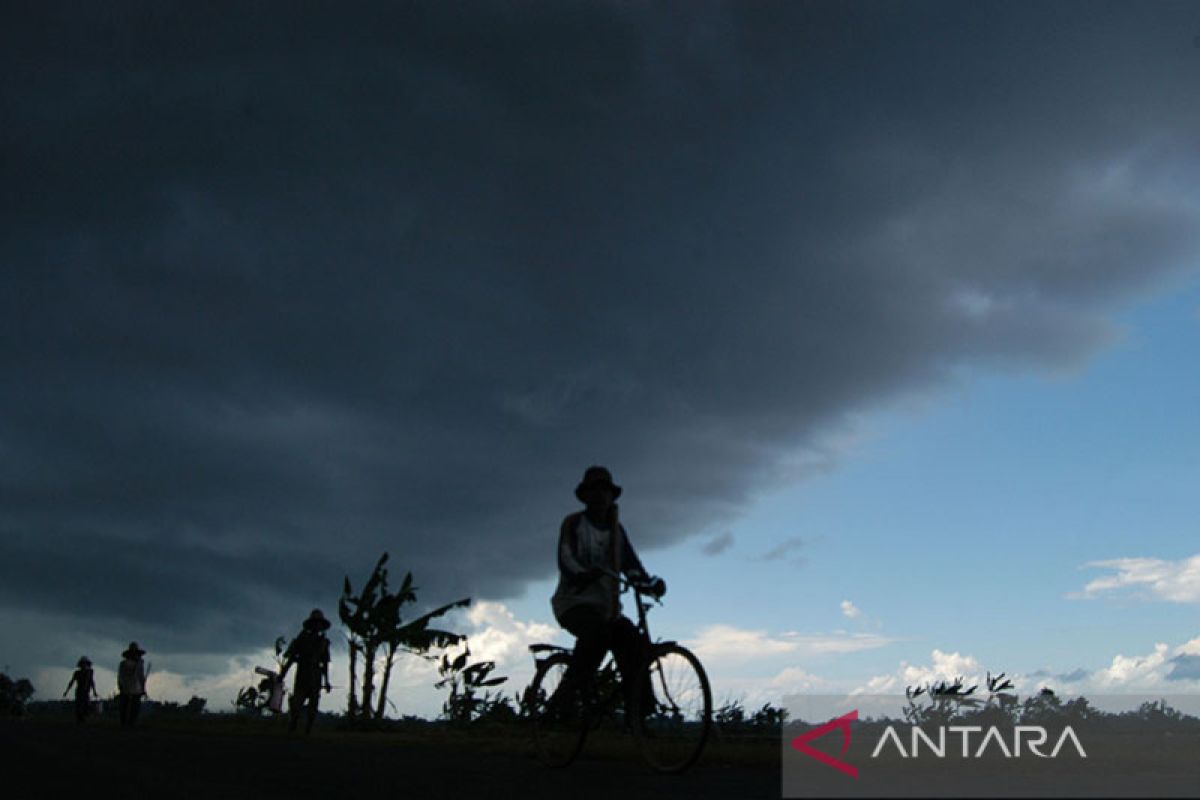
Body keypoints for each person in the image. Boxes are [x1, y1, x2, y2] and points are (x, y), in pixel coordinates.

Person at [550, 465, 666, 719]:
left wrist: (649, 585)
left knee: (634, 646)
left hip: (608, 608)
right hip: (573, 602)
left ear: (611, 496)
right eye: (595, 490)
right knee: (595, 635)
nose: (600, 496)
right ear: (586, 495)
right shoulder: (573, 524)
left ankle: (639, 714)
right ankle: (568, 695)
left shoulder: (617, 532)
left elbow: (631, 566)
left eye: (604, 490)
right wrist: (582, 573)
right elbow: (566, 557)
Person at [280, 609, 332, 734]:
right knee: (297, 703)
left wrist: (327, 681)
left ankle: (307, 730)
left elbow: (324, 663)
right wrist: (283, 674)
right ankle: (293, 725)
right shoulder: (301, 639)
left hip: (316, 677)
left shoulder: (324, 643)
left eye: (319, 623)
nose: (317, 626)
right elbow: (292, 658)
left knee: (313, 706)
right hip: (302, 675)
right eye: (315, 623)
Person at [117, 642, 147, 728]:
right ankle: (125, 722)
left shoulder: (140, 664)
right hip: (127, 687)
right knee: (125, 706)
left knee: (134, 707)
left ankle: (131, 722)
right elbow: (121, 676)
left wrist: (143, 688)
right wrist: (121, 685)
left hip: (136, 688)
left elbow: (141, 677)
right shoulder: (124, 663)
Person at [63, 656, 98, 723]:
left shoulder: (90, 672)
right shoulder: (77, 673)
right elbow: (72, 682)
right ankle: (80, 718)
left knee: (86, 705)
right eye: (83, 664)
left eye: (85, 664)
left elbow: (92, 682)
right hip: (79, 691)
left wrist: (94, 691)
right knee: (79, 705)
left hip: (86, 692)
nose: (84, 665)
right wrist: (66, 691)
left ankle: (82, 717)